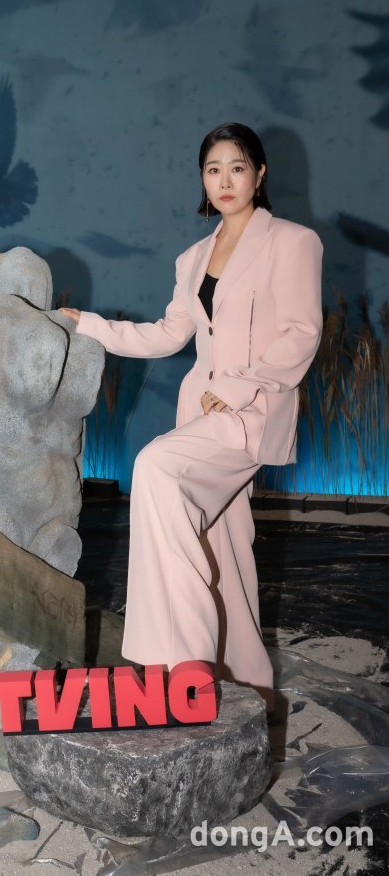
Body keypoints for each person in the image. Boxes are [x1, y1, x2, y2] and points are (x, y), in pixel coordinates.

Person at [60, 123, 323, 712]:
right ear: (202, 179)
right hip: (199, 414)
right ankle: (252, 687)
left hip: (251, 412)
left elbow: (301, 333)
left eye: (237, 166)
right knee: (224, 550)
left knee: (157, 468)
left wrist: (236, 387)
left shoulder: (293, 241)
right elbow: (168, 334)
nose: (225, 180)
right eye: (213, 169)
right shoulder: (192, 258)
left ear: (259, 174)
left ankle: (184, 662)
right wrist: (90, 325)